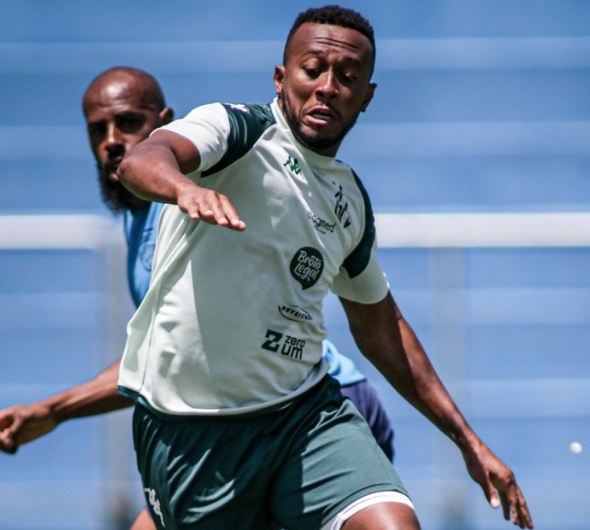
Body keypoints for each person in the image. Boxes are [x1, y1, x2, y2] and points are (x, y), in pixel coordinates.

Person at [114, 5, 533, 530]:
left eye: (348, 77)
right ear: (281, 78)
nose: (328, 87)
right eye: (312, 69)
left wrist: (467, 441)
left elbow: (380, 326)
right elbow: (141, 160)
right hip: (192, 431)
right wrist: (184, 188)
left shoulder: (349, 199)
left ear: (367, 97)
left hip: (303, 416)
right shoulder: (236, 130)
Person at [0, 66, 395, 529]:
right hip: (234, 422)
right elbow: (167, 352)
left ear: (165, 124)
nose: (113, 141)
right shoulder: (138, 217)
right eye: (98, 130)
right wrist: (52, 410)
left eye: (128, 123)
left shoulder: (195, 196)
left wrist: (55, 410)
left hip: (306, 406)